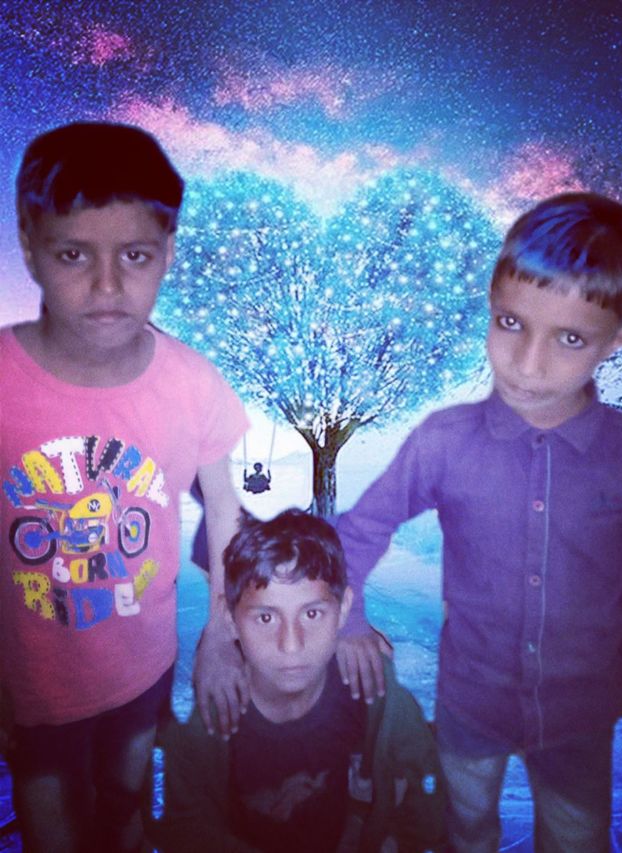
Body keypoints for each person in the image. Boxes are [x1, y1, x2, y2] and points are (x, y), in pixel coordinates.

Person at [335, 192, 622, 852]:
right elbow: (359, 529)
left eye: (569, 338)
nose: (528, 363)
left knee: (576, 837)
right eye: (510, 322)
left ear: (618, 338)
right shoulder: (444, 440)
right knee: (465, 827)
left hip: (580, 715)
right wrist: (349, 620)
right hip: (470, 705)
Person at [0, 121, 249, 853]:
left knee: (126, 819)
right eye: (74, 254)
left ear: (167, 252)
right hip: (28, 685)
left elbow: (225, 513)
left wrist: (221, 634)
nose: (107, 286)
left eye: (134, 255)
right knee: (52, 835)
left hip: (143, 672)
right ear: (31, 247)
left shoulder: (193, 383)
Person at [154, 509, 446, 853]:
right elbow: (182, 827)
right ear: (230, 620)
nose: (291, 645)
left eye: (311, 613)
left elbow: (426, 789)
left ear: (343, 610)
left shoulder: (369, 682)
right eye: (266, 617)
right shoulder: (205, 718)